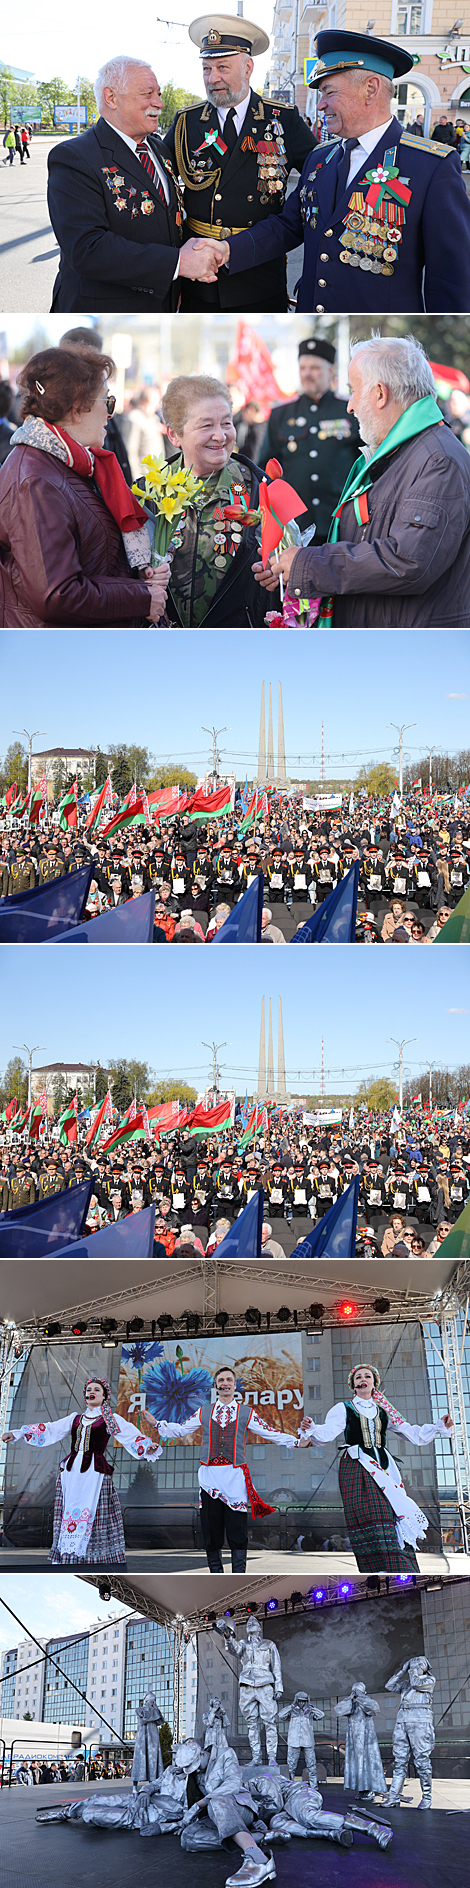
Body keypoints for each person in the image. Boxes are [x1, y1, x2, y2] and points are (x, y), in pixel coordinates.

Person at [225, 29, 470, 312]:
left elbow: (452, 282)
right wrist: (227, 250)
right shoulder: (320, 158)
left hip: (382, 339)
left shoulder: (432, 166)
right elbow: (289, 225)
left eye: (329, 92)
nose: (321, 105)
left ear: (371, 89)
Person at [255, 335, 470, 627]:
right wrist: (294, 563)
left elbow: (407, 562)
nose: (350, 406)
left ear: (381, 394)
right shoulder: (402, 449)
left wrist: (308, 564)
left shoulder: (437, 459)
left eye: (354, 391)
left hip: (409, 648)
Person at [0, 345, 169, 627]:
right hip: (57, 656)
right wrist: (141, 597)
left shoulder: (71, 462)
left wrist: (143, 573)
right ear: (77, 410)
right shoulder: (36, 480)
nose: (110, 414)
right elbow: (57, 595)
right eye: (108, 402)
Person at [47, 56, 225, 313]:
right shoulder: (75, 156)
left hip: (163, 305)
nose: (159, 103)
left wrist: (202, 250)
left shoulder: (159, 149)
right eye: (147, 93)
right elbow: (87, 248)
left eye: (159, 93)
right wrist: (178, 263)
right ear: (111, 98)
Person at [163, 13, 316, 311]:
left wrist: (289, 222)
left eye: (222, 67)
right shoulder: (187, 121)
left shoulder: (282, 118)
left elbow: (317, 175)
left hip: (258, 268)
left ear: (248, 67)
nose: (212, 78)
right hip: (201, 271)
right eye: (206, 69)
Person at [298, 1362, 453, 1573]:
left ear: (374, 1384)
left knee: (392, 1514)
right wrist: (311, 1428)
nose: (363, 1379)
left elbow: (411, 1433)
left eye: (367, 1377)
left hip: (385, 1467)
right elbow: (326, 1434)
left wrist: (438, 1427)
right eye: (358, 1377)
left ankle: (400, 1565)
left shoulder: (384, 1411)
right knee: (371, 1514)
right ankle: (376, 1566)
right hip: (357, 1466)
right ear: (353, 1385)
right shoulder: (344, 1408)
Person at [155, 1361, 302, 1571]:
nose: (225, 1383)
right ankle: (216, 1572)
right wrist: (156, 1424)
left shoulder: (246, 1413)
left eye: (229, 1380)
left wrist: (296, 1441)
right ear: (215, 1387)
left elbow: (271, 1433)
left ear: (235, 1386)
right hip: (209, 1478)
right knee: (211, 1529)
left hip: (234, 1477)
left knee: (237, 1530)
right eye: (221, 1380)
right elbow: (179, 1430)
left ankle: (238, 1572)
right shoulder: (204, 1412)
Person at [156, 374, 276, 627]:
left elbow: (290, 567)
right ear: (174, 435)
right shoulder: (148, 494)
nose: (220, 436)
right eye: (206, 426)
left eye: (226, 423)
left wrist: (277, 575)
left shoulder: (263, 490)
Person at [2, 1374, 161, 1564]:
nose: (92, 1392)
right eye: (89, 1390)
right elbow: (50, 1429)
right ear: (85, 1396)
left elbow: (129, 1434)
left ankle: (93, 1556)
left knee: (94, 1508)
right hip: (71, 1472)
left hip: (94, 1472)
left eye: (97, 1390)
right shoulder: (74, 1419)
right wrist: (18, 1433)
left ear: (104, 1396)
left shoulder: (109, 1419)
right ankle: (68, 1553)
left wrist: (146, 1445)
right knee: (70, 1510)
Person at [260, 337, 359, 540]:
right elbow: (265, 467)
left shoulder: (350, 409)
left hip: (340, 520)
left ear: (330, 371)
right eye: (303, 367)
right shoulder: (281, 413)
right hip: (296, 524)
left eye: (314, 367)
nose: (307, 373)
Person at [383, 1657, 436, 1809]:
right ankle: (393, 1797)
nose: (414, 1667)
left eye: (418, 1664)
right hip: (402, 1722)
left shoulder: (429, 1680)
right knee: (399, 1761)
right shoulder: (406, 1684)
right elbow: (389, 1685)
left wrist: (413, 1670)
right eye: (413, 1664)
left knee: (422, 1761)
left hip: (420, 1722)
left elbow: (416, 1683)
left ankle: (426, 1797)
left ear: (425, 1667)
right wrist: (402, 1671)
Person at [334, 1682, 386, 1797]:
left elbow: (375, 1708)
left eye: (358, 1690)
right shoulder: (350, 1702)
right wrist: (351, 1699)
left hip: (367, 1738)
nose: (356, 1693)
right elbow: (338, 1709)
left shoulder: (366, 1701)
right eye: (354, 1690)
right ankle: (361, 1789)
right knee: (356, 1763)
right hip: (354, 1739)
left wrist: (361, 1698)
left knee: (368, 1761)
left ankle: (369, 1789)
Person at [278, 1692, 324, 1786]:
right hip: (294, 1741)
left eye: (304, 1701)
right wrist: (292, 1705)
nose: (302, 1703)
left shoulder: (309, 1711)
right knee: (291, 1767)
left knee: (311, 1766)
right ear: (297, 1701)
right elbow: (281, 1715)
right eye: (300, 1701)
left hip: (308, 1742)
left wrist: (312, 1707)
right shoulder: (292, 1711)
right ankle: (290, 1787)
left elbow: (321, 1715)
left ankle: (314, 1787)